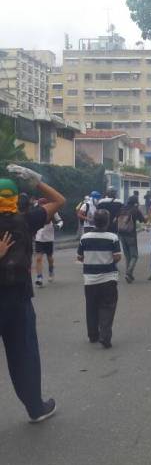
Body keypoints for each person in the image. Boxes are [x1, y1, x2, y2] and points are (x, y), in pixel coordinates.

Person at [0, 164, 65, 422]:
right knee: (24, 354)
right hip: (17, 301)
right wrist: (36, 180)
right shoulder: (26, 221)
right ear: (16, 198)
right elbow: (59, 200)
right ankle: (35, 408)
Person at [77, 209, 121, 349]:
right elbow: (117, 256)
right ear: (107, 222)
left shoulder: (85, 237)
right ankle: (105, 336)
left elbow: (79, 257)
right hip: (108, 278)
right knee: (107, 307)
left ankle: (93, 335)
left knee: (91, 307)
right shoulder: (112, 237)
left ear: (93, 221)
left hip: (90, 280)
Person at [34, 198, 63, 287]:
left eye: (43, 204)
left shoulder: (53, 211)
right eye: (40, 204)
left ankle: (51, 271)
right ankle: (39, 277)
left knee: (49, 258)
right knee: (38, 258)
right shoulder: (36, 212)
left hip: (49, 237)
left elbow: (60, 221)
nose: (42, 206)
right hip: (39, 237)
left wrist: (58, 226)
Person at [117, 195, 146, 283]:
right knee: (134, 256)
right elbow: (143, 220)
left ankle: (128, 275)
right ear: (135, 202)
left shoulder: (122, 209)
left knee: (127, 256)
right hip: (131, 235)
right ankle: (129, 272)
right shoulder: (135, 210)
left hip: (121, 234)